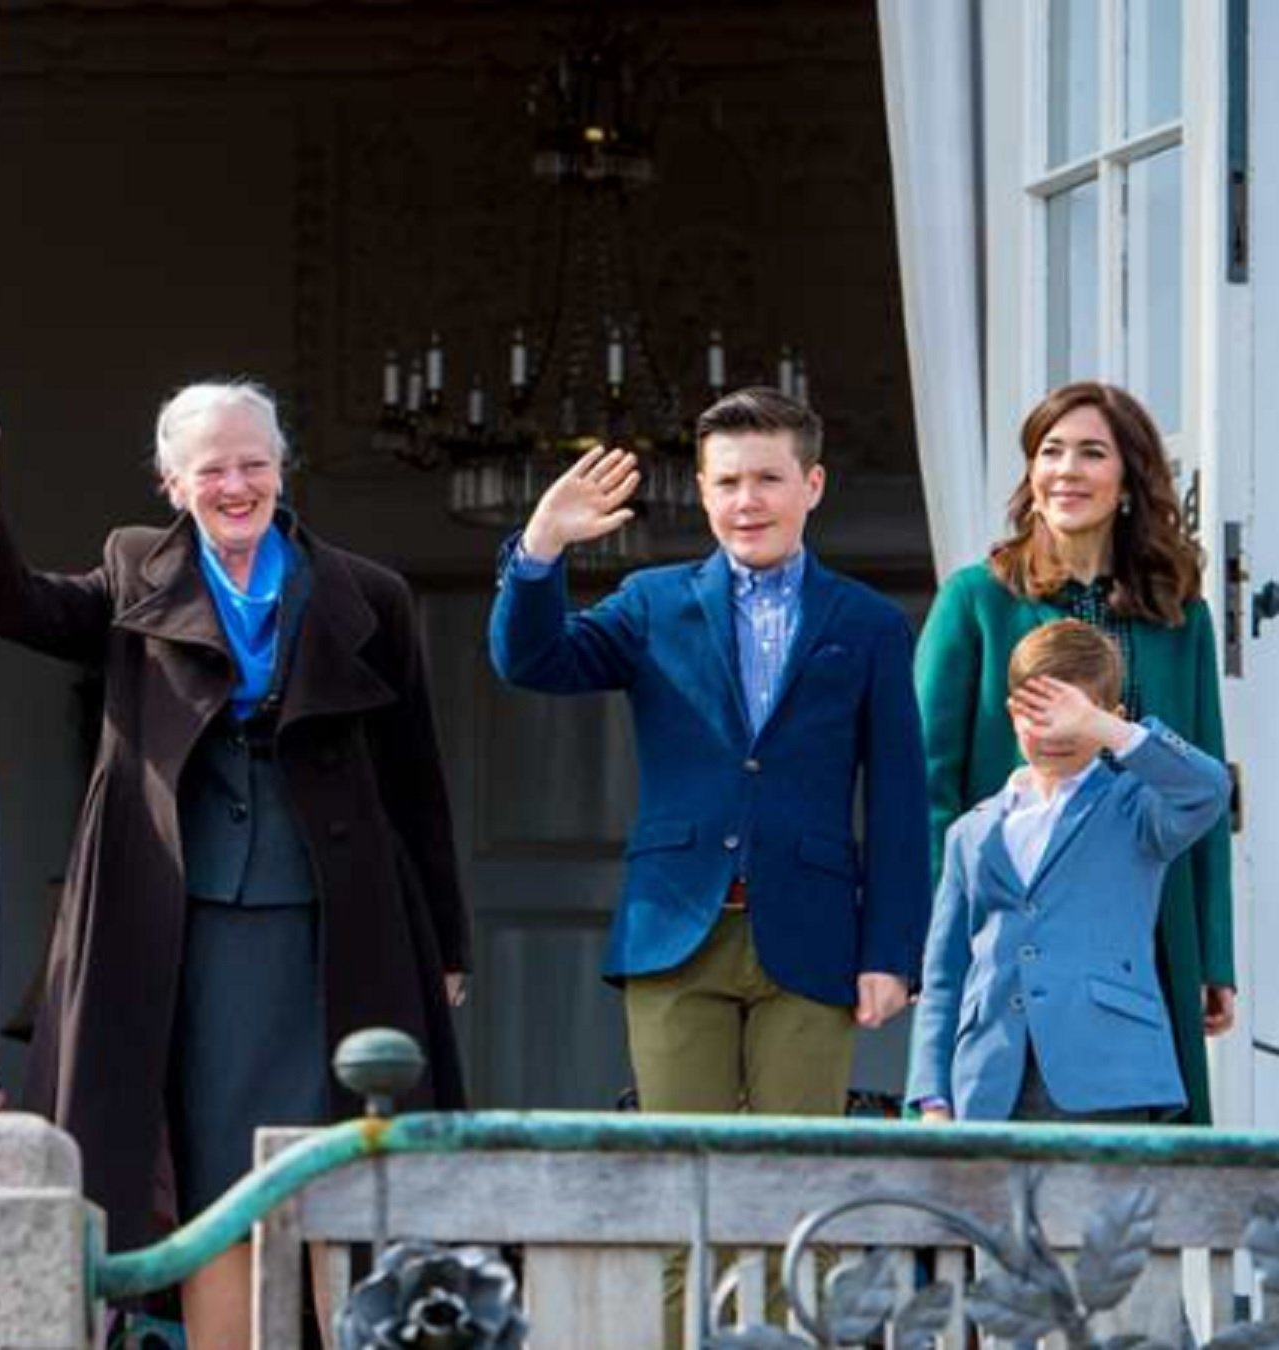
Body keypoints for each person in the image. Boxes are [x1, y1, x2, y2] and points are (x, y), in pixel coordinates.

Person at [0, 356, 470, 1350]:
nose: (235, 487)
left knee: (347, 1159)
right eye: (211, 470)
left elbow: (414, 778)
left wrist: (446, 943)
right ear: (172, 483)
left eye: (253, 465)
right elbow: (13, 608)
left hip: (337, 915)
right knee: (221, 1168)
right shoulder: (138, 568)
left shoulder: (367, 594)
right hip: (189, 916)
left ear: (282, 471)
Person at [488, 387, 928, 1116]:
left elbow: (897, 797)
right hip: (674, 927)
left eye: (767, 479)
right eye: (726, 482)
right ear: (700, 491)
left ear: (811, 485)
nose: (745, 500)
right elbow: (529, 661)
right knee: (682, 1178)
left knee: (796, 1180)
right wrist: (540, 549)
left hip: (811, 933)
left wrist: (890, 951)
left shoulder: (867, 621)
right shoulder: (651, 601)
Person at [916, 381, 1232, 1123]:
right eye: (1048, 452)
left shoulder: (1178, 613)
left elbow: (1208, 784)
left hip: (1153, 907)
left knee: (1145, 1149)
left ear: (1128, 480)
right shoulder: (975, 598)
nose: (1065, 470)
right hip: (1015, 906)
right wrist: (943, 923)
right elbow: (926, 777)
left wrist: (1211, 951)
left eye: (1091, 452)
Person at [908, 620, 1228, 1122]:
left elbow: (1208, 789)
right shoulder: (970, 833)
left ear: (1110, 721)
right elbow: (945, 973)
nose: (1057, 733)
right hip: (990, 1083)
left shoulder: (1136, 811)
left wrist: (1106, 728)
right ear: (1013, 713)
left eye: (1076, 718)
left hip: (1108, 1072)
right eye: (1040, 714)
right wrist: (932, 1095)